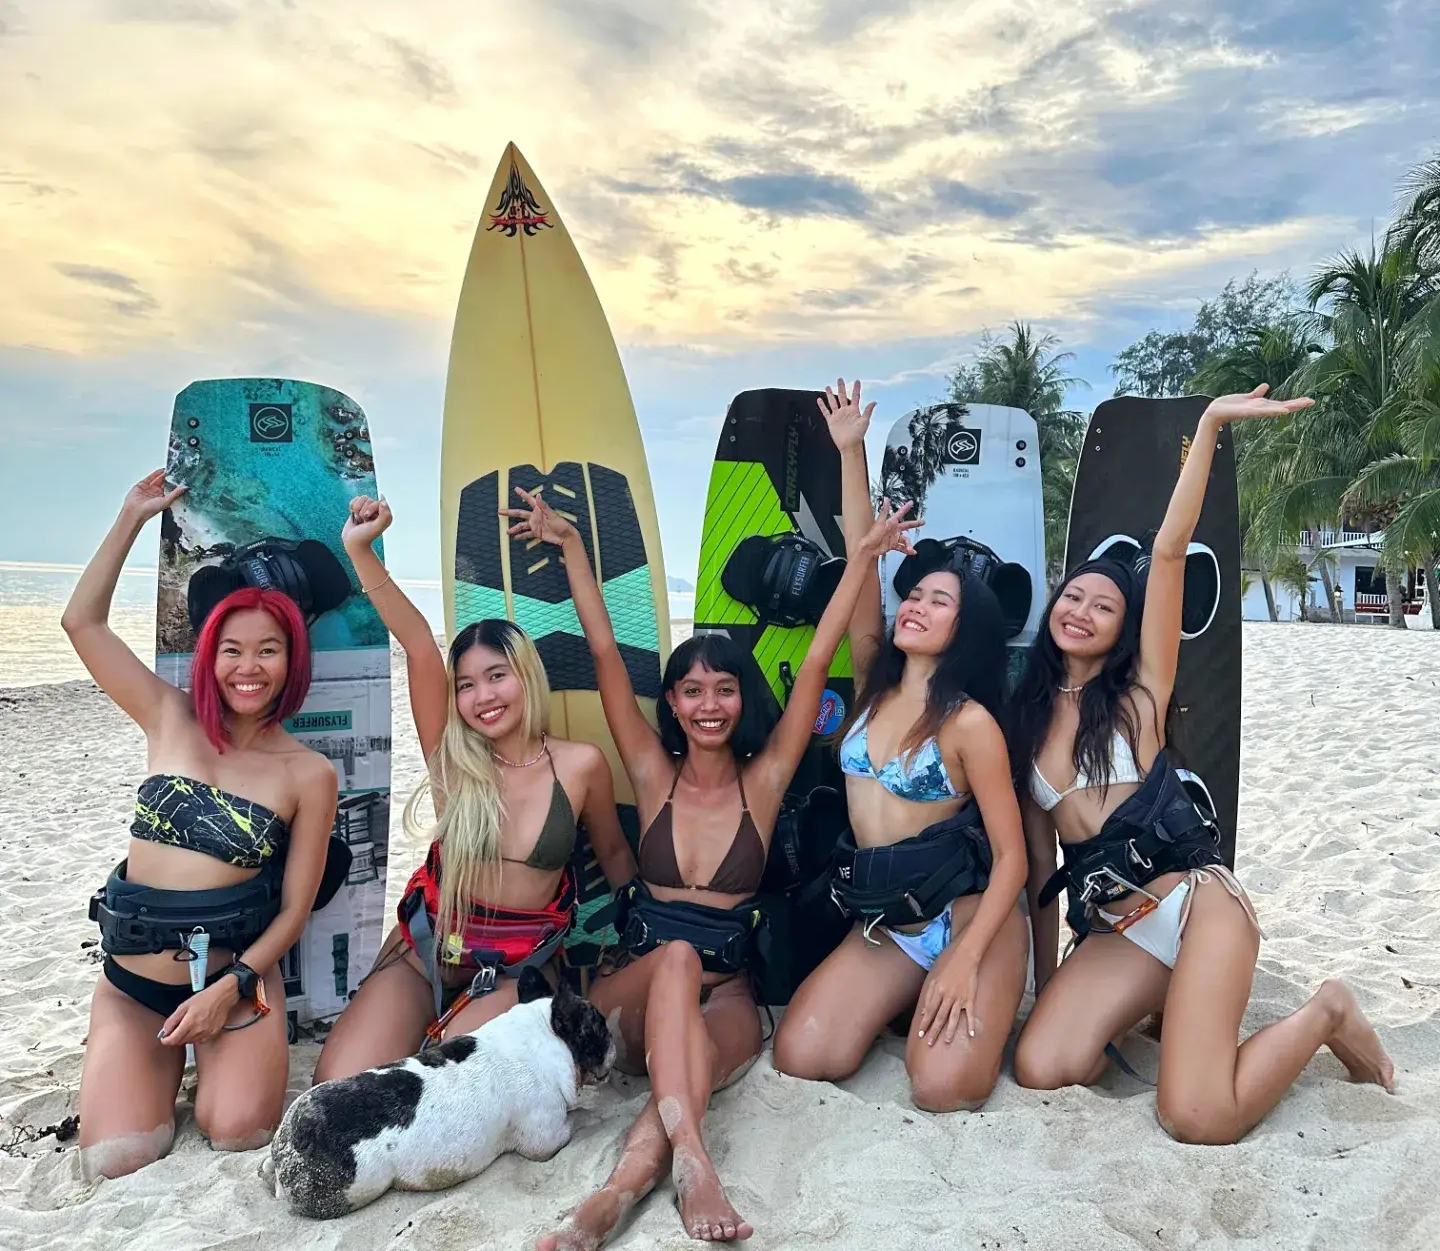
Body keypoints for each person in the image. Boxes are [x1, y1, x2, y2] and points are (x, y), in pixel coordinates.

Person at [510, 485, 920, 1249]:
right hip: (628, 1001)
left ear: (741, 699)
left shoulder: (762, 784)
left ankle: (613, 1196)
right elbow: (605, 654)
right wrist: (570, 547)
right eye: (692, 690)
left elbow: (817, 663)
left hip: (729, 996)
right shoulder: (650, 771)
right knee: (672, 961)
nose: (708, 704)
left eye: (724, 689)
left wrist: (862, 557)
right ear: (671, 701)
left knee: (689, 1066)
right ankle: (693, 1158)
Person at [1010, 387, 1396, 1141]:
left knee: (1198, 1117)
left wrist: (1211, 427)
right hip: (1119, 930)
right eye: (1073, 596)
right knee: (1042, 1064)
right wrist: (1048, 991)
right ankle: (1159, 1003)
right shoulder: (1023, 728)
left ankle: (1327, 1010)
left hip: (1195, 906)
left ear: (1123, 632)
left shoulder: (1142, 697)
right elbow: (1038, 876)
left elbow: (1165, 549)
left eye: (1103, 607)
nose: (1081, 611)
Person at [64, 471, 338, 1179]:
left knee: (239, 1130)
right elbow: (82, 624)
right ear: (209, 657)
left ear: (291, 662)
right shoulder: (168, 717)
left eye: (268, 651)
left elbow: (296, 911)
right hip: (133, 984)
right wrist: (129, 517)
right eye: (232, 650)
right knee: (120, 1156)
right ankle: (128, 1052)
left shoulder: (307, 774)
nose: (249, 668)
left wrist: (234, 987)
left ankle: (233, 1040)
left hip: (234, 979)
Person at [772, 380, 1030, 1112]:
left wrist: (964, 958)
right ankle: (903, 995)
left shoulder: (969, 722)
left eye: (937, 600)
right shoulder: (872, 678)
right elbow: (865, 562)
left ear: (969, 626)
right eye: (913, 596)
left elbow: (1012, 857)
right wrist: (852, 453)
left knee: (941, 1087)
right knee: (802, 1054)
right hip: (888, 917)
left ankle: (960, 988)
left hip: (967, 916)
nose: (914, 605)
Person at [313, 495, 636, 1081]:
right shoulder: (453, 758)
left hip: (518, 968)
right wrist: (361, 549)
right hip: (428, 948)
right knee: (340, 1082)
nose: (482, 696)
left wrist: (638, 930)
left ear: (526, 676)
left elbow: (613, 857)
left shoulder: (580, 766)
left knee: (449, 1084)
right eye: (466, 685)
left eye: (497, 676)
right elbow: (416, 642)